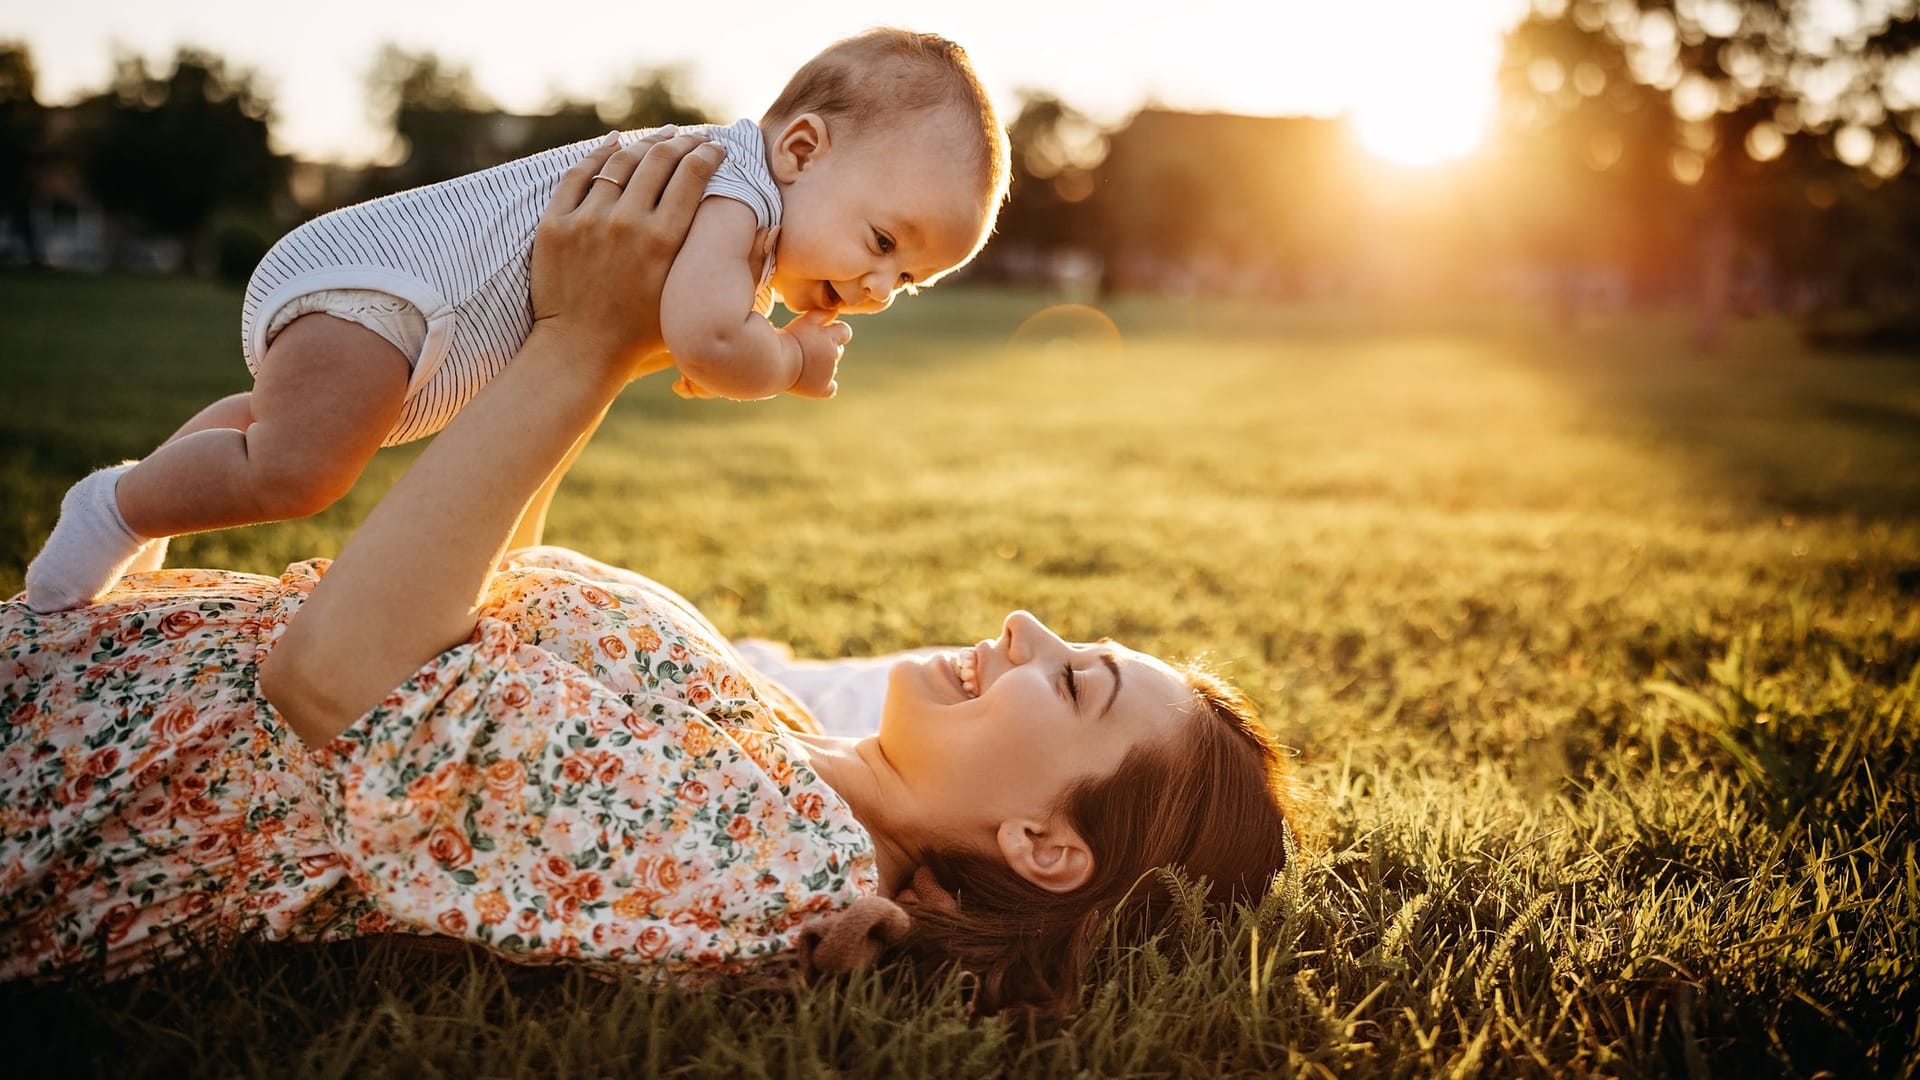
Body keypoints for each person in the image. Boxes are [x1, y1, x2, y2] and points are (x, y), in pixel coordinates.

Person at [0, 134, 1296, 1015]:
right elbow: (492, 605)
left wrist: (580, 342)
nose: (1022, 626)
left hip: (58, 789)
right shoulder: (797, 755)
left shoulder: (781, 863)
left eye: (1072, 686)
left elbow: (339, 684)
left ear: (1041, 847)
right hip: (75, 690)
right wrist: (597, 350)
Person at [23, 28, 1010, 614]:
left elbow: (690, 347)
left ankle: (158, 492)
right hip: (393, 289)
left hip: (387, 305)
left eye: (910, 280)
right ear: (801, 147)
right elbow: (711, 344)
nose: (880, 286)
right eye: (883, 240)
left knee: (274, 427)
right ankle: (116, 505)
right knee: (301, 469)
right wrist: (791, 359)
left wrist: (747, 342)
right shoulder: (733, 191)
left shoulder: (740, 220)